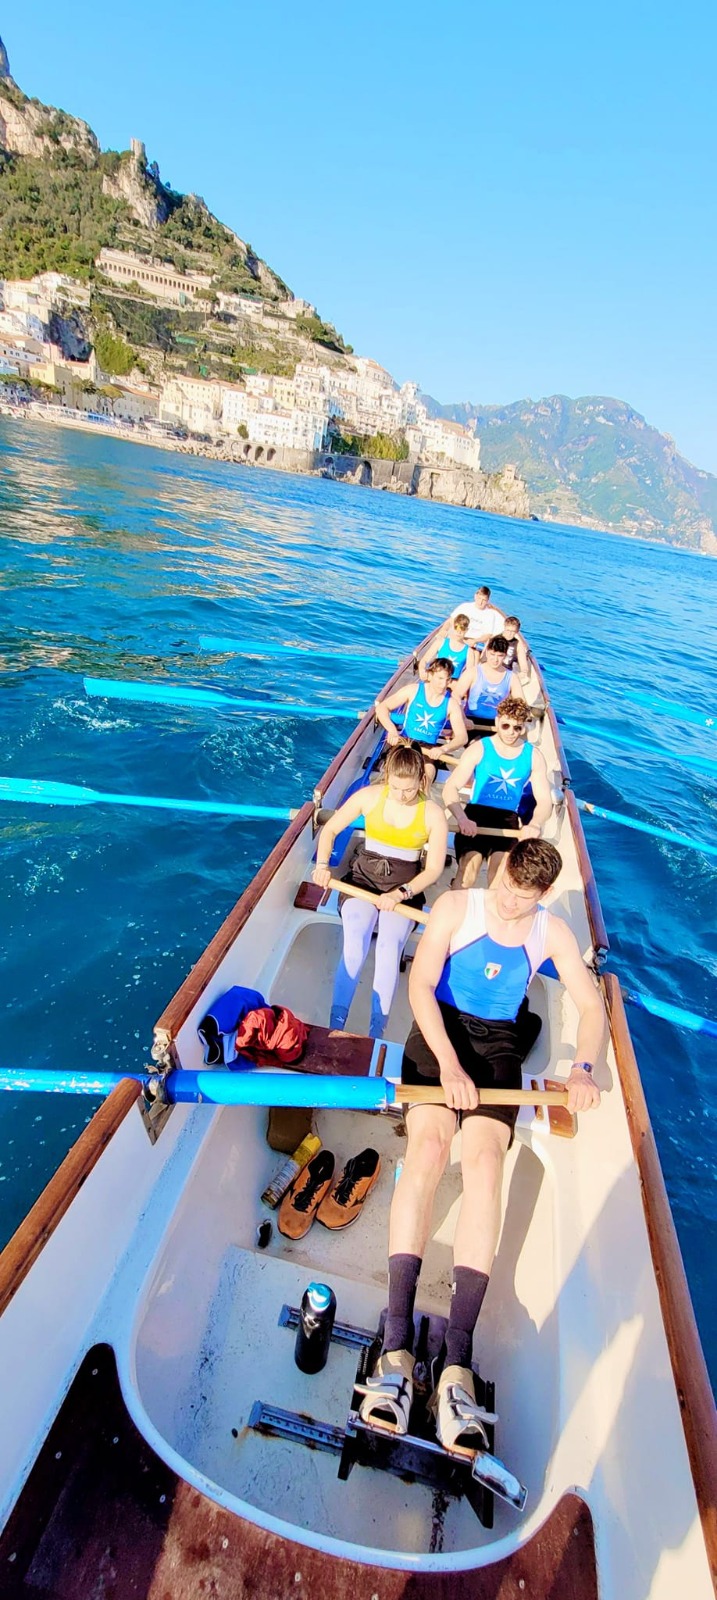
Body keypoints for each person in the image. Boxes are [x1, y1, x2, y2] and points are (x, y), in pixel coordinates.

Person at [357, 838, 604, 1448]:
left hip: (497, 1047)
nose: (505, 902)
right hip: (437, 1034)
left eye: (520, 900)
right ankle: (396, 1343)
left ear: (542, 896)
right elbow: (420, 991)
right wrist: (446, 1066)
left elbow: (590, 1006)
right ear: (497, 871)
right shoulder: (455, 909)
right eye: (502, 888)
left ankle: (458, 1356)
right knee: (428, 1152)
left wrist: (583, 1070)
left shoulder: (551, 931)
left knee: (487, 1165)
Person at [313, 745, 449, 1039]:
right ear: (387, 777)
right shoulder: (369, 797)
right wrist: (323, 865)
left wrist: (401, 893)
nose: (402, 795)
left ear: (422, 782)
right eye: (396, 788)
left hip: (405, 888)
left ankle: (376, 1031)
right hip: (361, 881)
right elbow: (330, 830)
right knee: (356, 940)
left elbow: (434, 870)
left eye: (409, 789)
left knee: (389, 948)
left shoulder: (434, 814)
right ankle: (336, 1025)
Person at [444, 696, 552, 888]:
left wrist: (534, 824)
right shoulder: (479, 748)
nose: (511, 732)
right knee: (468, 872)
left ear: (524, 728)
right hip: (475, 817)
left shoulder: (534, 756)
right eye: (506, 726)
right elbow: (450, 788)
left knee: (499, 877)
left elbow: (544, 801)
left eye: (517, 728)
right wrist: (461, 818)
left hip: (508, 821)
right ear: (497, 721)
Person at [375, 658, 467, 784]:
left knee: (427, 777)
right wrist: (392, 730)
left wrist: (443, 749)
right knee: (395, 773)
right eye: (440, 678)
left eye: (447, 680)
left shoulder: (451, 704)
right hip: (405, 741)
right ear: (429, 675)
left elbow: (462, 737)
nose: (444, 684)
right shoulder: (412, 690)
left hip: (429, 750)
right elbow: (381, 708)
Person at [459, 635, 525, 731]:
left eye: (500, 656)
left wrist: (518, 722)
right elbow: (456, 697)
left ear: (505, 656)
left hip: (498, 724)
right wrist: (463, 719)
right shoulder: (473, 672)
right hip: (470, 721)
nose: (495, 660)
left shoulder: (512, 677)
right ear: (486, 652)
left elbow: (520, 703)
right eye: (492, 654)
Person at [418, 613, 471, 682]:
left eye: (462, 629)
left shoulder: (469, 651)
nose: (459, 632)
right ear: (453, 627)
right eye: (456, 628)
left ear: (467, 630)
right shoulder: (440, 642)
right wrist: (422, 670)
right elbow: (424, 660)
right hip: (435, 679)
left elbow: (469, 674)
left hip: (452, 682)